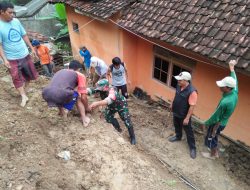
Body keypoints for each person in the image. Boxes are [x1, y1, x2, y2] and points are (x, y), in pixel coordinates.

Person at [0, 1, 38, 107]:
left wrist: (32, 48)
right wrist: (5, 59)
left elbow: (24, 35)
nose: (12, 15)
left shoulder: (16, 21)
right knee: (16, 77)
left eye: (13, 12)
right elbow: (0, 45)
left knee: (29, 75)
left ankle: (24, 90)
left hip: (24, 53)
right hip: (11, 57)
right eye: (10, 12)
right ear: (1, 12)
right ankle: (23, 95)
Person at [201, 60, 238, 159]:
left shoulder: (226, 102)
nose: (220, 86)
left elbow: (215, 117)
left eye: (222, 86)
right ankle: (214, 151)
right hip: (223, 122)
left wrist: (206, 123)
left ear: (228, 88)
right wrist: (232, 68)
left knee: (211, 137)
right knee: (215, 136)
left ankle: (213, 154)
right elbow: (234, 78)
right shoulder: (234, 90)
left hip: (218, 123)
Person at [42, 60, 91, 127]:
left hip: (46, 93)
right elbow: (84, 97)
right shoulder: (80, 75)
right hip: (60, 94)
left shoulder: (60, 71)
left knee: (61, 91)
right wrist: (87, 107)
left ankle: (61, 112)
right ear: (79, 69)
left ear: (68, 67)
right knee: (78, 98)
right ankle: (84, 119)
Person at [89, 79, 136, 145]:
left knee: (126, 120)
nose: (99, 90)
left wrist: (96, 103)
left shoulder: (112, 91)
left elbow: (108, 100)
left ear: (105, 87)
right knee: (108, 117)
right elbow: (92, 90)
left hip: (121, 105)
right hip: (111, 105)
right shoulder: (102, 88)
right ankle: (118, 128)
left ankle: (132, 137)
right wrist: (84, 91)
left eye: (100, 88)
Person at [168, 71, 198, 159]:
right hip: (176, 111)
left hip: (184, 115)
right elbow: (176, 95)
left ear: (186, 80)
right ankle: (178, 136)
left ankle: (192, 148)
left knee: (189, 132)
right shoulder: (179, 86)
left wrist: (187, 118)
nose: (178, 81)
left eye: (180, 80)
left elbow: (192, 106)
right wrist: (172, 104)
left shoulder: (192, 92)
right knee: (176, 125)